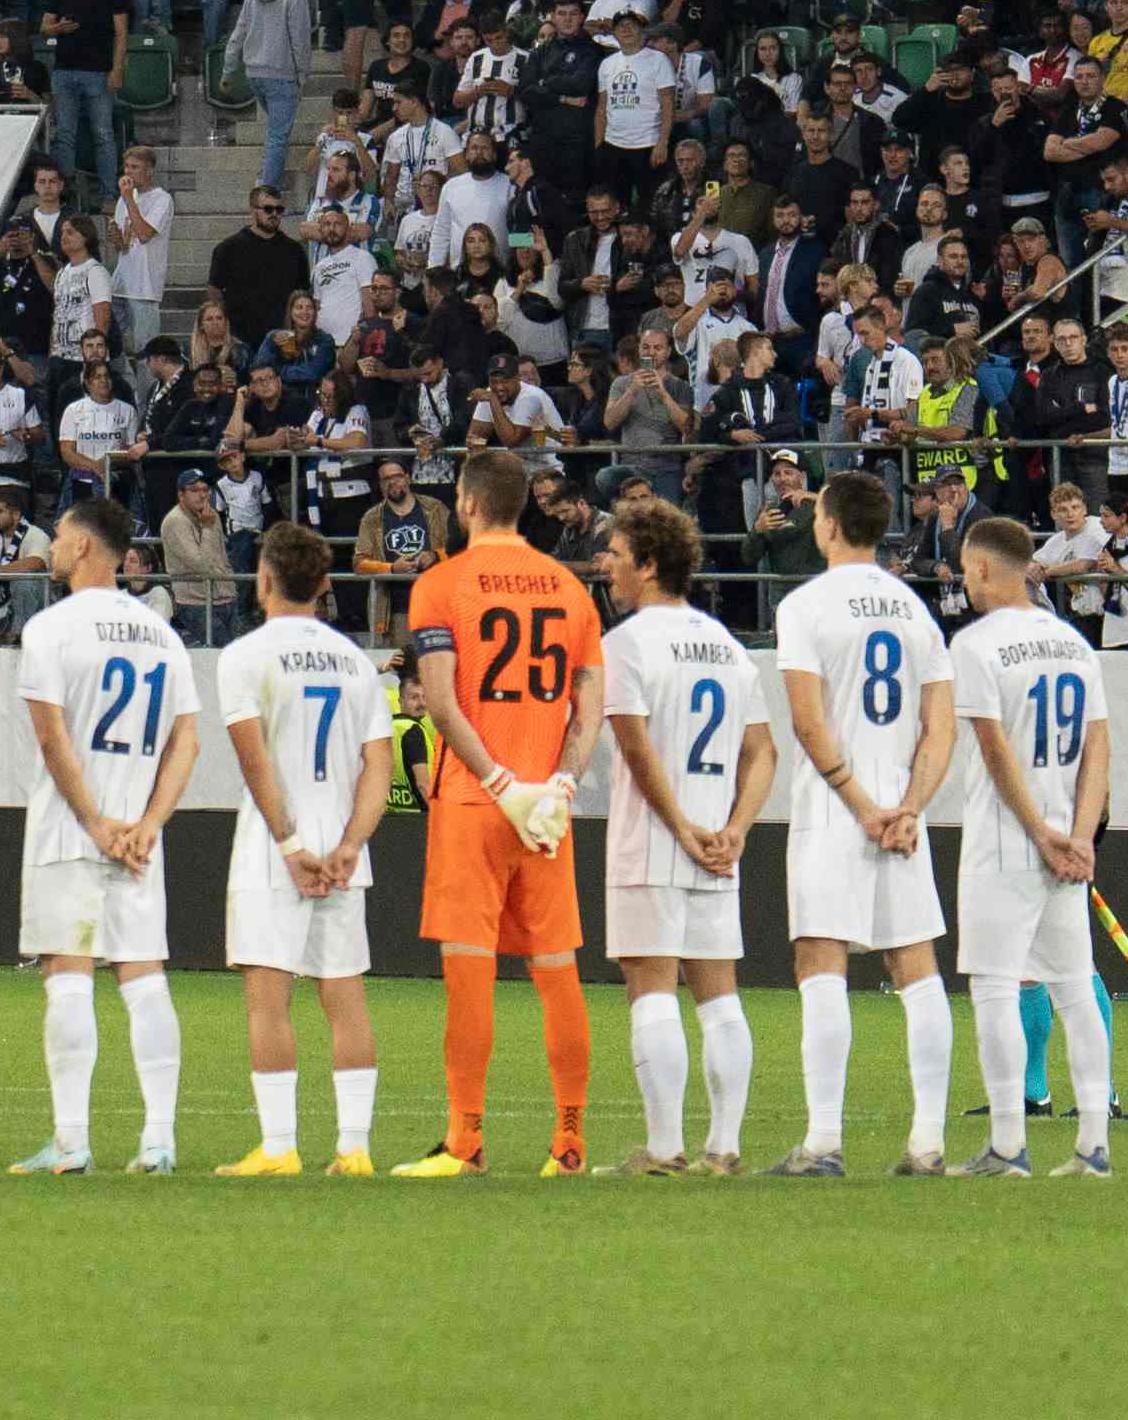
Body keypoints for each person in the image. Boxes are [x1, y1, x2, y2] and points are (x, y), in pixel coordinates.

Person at [396, 442, 606, 1178]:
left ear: (468, 503)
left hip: (474, 801)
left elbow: (441, 701)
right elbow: (589, 709)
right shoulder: (570, 588)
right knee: (557, 970)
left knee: (469, 971)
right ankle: (569, 1142)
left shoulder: (441, 585)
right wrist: (562, 787)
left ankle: (466, 1141)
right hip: (545, 809)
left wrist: (497, 782)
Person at [770, 469, 961, 1178]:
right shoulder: (915, 610)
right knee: (915, 965)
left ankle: (823, 1142)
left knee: (821, 962)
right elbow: (941, 728)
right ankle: (928, 1142)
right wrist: (910, 808)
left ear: (828, 523)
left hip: (836, 805)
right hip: (901, 810)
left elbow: (808, 720)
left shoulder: (805, 606)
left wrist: (860, 805)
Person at [8, 502, 196, 1176]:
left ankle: (71, 1142)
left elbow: (52, 737)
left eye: (60, 535)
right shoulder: (162, 634)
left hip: (71, 830)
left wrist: (93, 820)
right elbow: (186, 741)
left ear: (85, 545)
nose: (54, 545)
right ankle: (159, 1141)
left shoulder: (51, 627)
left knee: (68, 978)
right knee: (144, 979)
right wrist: (149, 824)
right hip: (138, 838)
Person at [590, 492, 764, 1179]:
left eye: (616, 554)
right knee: (719, 994)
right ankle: (725, 1146)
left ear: (649, 564)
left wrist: (680, 828)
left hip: (655, 841)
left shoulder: (626, 644)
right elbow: (763, 751)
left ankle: (664, 1148)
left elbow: (635, 748)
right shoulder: (728, 646)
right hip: (718, 844)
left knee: (652, 987)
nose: (606, 565)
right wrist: (735, 829)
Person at [213, 523, 391, 1173]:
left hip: (273, 850)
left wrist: (290, 844)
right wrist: (350, 844)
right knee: (345, 997)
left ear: (263, 579)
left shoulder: (244, 656)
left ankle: (280, 1147)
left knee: (269, 998)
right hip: (342, 848)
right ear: (322, 584)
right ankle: (355, 1146)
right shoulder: (356, 661)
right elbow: (379, 765)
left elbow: (255, 761)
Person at [948, 517, 1119, 1179]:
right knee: (1074, 989)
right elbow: (1099, 747)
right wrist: (1080, 834)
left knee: (994, 987)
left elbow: (994, 750)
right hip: (1066, 843)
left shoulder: (975, 644)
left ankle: (1008, 1145)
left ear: (983, 567)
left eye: (966, 569)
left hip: (1006, 840)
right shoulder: (1073, 642)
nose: (965, 581)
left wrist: (1039, 832)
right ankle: (1094, 1146)